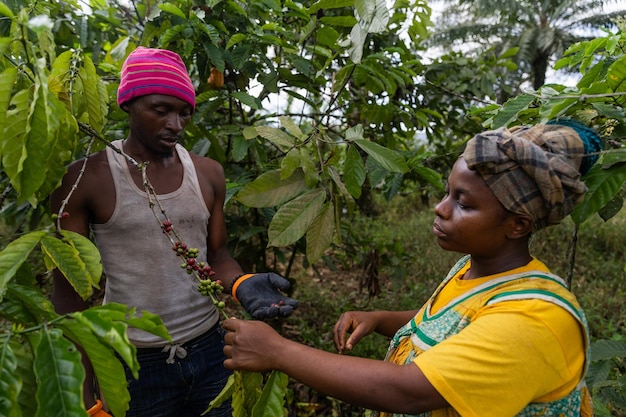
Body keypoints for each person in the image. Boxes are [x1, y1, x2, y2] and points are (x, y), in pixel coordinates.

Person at [222, 120, 603, 416]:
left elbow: (408, 391)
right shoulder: (474, 269)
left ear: (517, 225)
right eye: (446, 192)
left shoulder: (537, 319)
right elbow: (456, 323)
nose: (440, 208)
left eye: (463, 203)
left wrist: (277, 351)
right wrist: (382, 318)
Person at [50, 46, 297, 417]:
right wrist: (86, 394)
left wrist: (242, 282)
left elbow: (218, 257)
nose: (175, 125)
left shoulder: (208, 172)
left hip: (213, 351)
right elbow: (68, 293)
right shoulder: (87, 178)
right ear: (129, 105)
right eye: (161, 110)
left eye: (184, 113)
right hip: (135, 364)